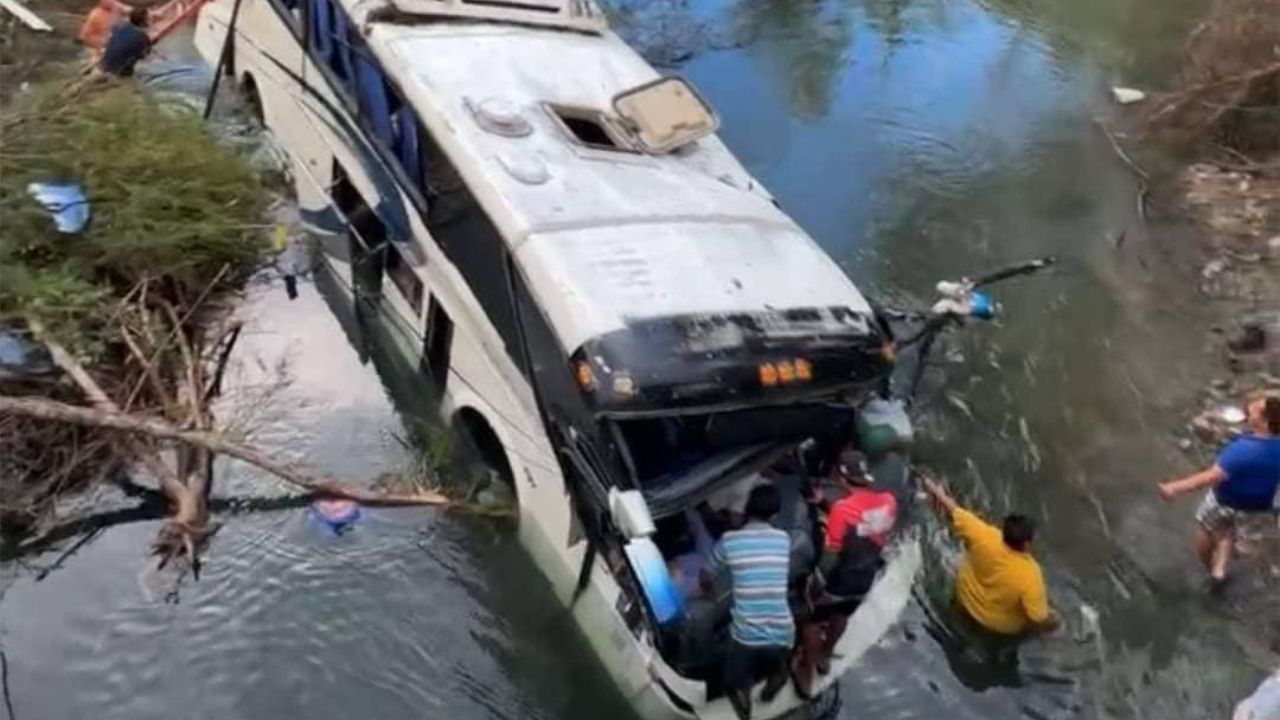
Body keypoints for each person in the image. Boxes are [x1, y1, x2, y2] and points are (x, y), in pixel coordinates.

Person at [791, 450, 898, 695]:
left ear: (841, 475)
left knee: (810, 620)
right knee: (842, 615)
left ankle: (806, 669)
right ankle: (825, 656)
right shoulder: (888, 501)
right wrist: (825, 503)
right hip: (866, 577)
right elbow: (864, 522)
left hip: (841, 579)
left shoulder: (842, 510)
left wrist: (815, 583)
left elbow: (831, 555)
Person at [1158, 393, 1280, 586]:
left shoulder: (1242, 450)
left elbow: (1210, 477)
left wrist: (1174, 488)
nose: (1248, 407)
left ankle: (1211, 567)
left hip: (1225, 499)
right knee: (1227, 526)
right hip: (1257, 504)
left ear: (1264, 423)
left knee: (1206, 531)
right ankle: (1221, 567)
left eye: (1255, 409)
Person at [921, 477, 1060, 637]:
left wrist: (932, 487)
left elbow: (952, 509)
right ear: (1027, 544)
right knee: (1053, 618)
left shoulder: (984, 534)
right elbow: (1037, 617)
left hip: (964, 600)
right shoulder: (1031, 574)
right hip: (996, 627)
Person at [701, 484, 793, 720]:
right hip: (783, 630)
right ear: (774, 515)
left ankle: (742, 700)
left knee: (734, 677)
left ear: (747, 509)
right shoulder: (784, 539)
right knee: (774, 657)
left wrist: (709, 594)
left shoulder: (729, 541)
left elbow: (706, 575)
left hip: (746, 634)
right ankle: (777, 676)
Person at [98, 8, 151, 77]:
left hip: (102, 65)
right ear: (144, 21)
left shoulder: (118, 27)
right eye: (148, 18)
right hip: (119, 74)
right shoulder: (143, 38)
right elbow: (143, 56)